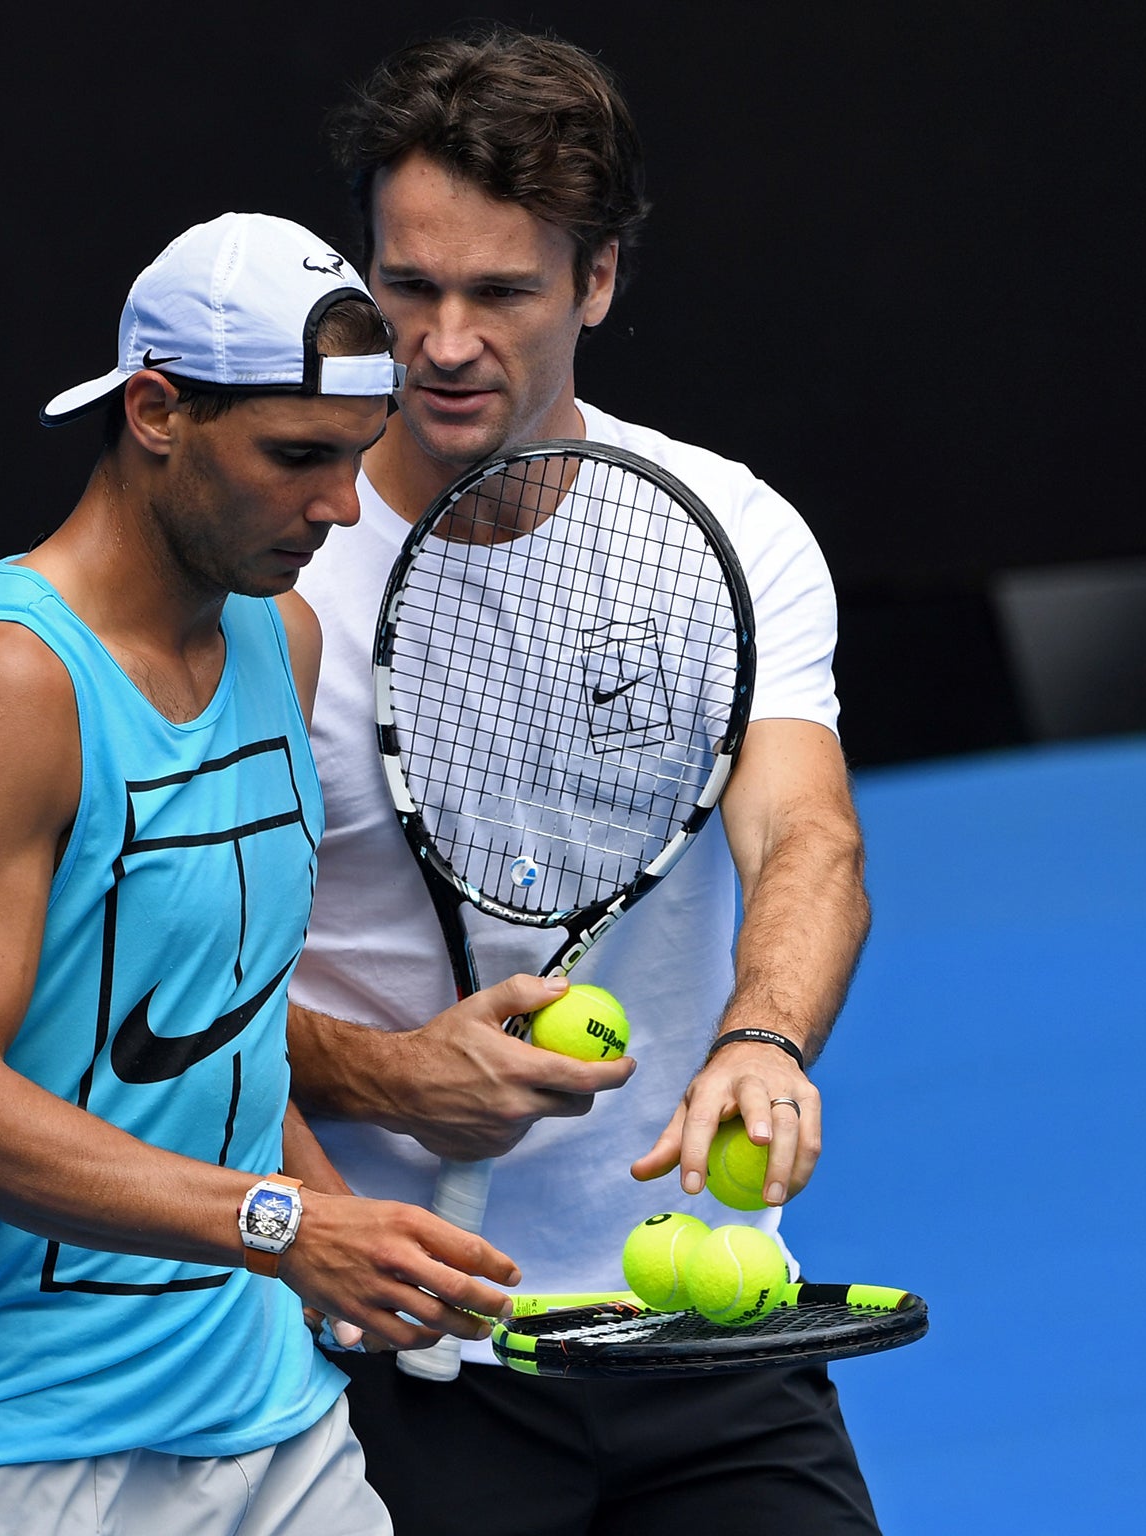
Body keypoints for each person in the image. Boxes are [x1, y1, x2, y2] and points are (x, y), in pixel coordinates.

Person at [0, 211, 531, 1536]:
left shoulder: (285, 642)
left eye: (352, 460)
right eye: (294, 458)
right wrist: (283, 1226)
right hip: (22, 1451)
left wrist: (352, 1243)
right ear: (155, 411)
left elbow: (213, 1030)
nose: (336, 504)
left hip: (273, 1420)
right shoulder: (0, 680)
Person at [284, 29, 884, 1534]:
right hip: (395, 1344)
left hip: (697, 1313)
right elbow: (171, 981)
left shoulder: (730, 535)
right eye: (407, 288)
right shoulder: (270, 573)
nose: (443, 342)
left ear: (598, 282)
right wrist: (388, 1076)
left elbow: (804, 835)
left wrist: (765, 1040)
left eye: (503, 292)